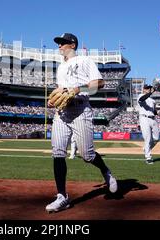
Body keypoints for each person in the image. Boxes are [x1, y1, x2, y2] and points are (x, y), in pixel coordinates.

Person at [45, 33, 118, 213]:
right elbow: (62, 90)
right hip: (62, 113)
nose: (59, 46)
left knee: (87, 155)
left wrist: (78, 88)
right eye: (58, 43)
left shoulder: (85, 60)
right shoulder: (61, 67)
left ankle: (106, 171)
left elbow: (99, 83)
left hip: (80, 109)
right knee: (58, 152)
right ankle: (62, 196)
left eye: (62, 43)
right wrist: (55, 99)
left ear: (72, 44)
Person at [137, 85, 160, 164]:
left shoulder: (153, 100)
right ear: (143, 89)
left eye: (149, 88)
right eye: (146, 88)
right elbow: (142, 99)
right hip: (144, 118)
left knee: (156, 138)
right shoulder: (141, 96)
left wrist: (156, 112)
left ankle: (146, 148)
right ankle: (148, 157)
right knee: (148, 138)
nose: (148, 89)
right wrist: (151, 92)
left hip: (153, 119)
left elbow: (153, 111)